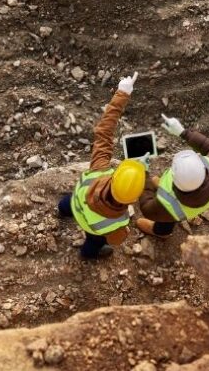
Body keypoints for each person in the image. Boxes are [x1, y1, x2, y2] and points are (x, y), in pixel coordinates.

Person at [57, 72, 146, 259]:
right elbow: (116, 239)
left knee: (67, 203)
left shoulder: (99, 170)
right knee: (94, 243)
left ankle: (62, 210)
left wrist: (122, 93)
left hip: (77, 204)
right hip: (92, 229)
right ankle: (87, 255)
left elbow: (104, 131)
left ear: (115, 176)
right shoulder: (120, 221)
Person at [136, 114, 209, 237]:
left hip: (174, 212)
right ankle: (161, 192)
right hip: (202, 200)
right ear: (203, 168)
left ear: (174, 182)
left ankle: (162, 232)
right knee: (169, 212)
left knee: (166, 220)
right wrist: (183, 132)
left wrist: (144, 173)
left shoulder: (168, 205)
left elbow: (146, 208)